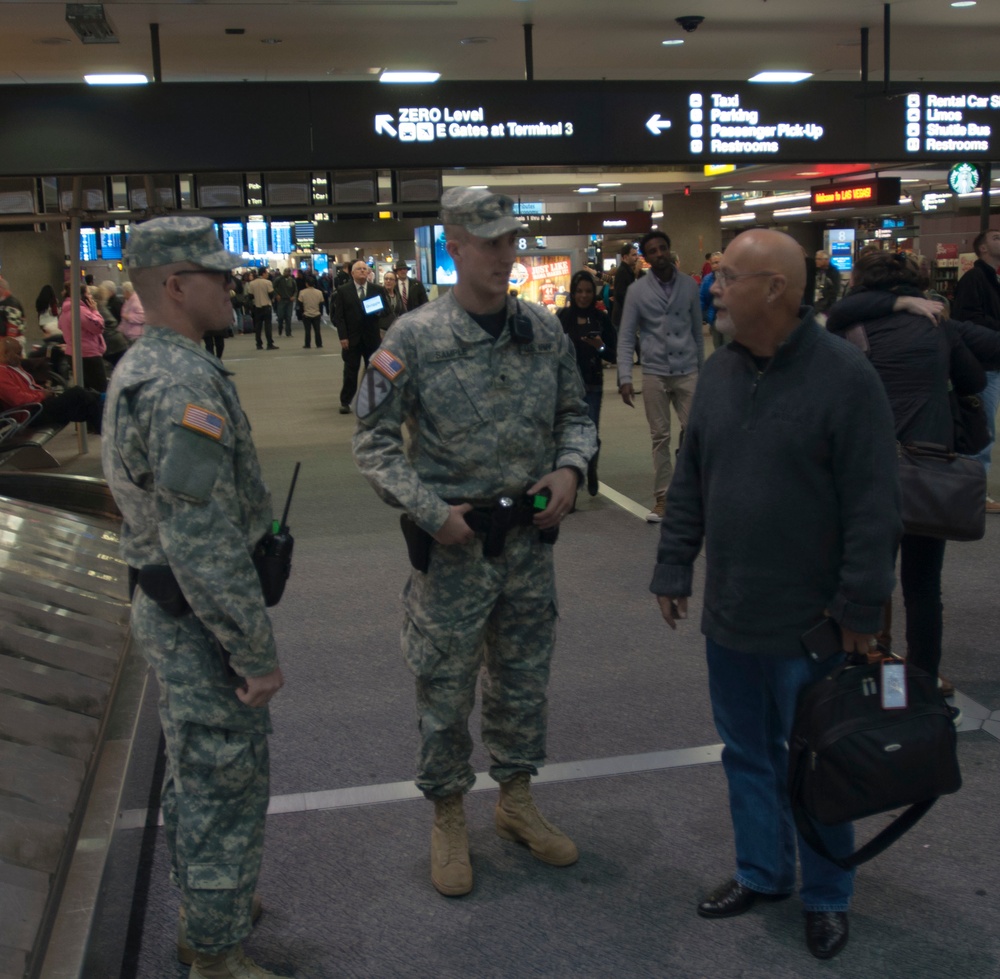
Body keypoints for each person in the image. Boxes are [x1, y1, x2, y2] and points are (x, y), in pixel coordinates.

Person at [651, 229, 900, 961]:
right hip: (733, 615)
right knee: (746, 753)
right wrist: (673, 567)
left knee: (819, 761)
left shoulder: (846, 376)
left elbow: (873, 505)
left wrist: (860, 608)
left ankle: (827, 895)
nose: (715, 288)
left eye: (728, 277)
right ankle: (763, 870)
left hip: (813, 625)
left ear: (777, 291)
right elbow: (692, 478)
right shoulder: (722, 371)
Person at [352, 186, 596, 899]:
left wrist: (571, 466)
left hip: (528, 545)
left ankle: (516, 802)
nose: (503, 255)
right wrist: (430, 510)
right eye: (487, 241)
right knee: (444, 689)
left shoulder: (543, 331)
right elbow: (370, 442)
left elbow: (575, 414)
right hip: (455, 548)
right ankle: (449, 814)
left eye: (510, 240)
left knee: (523, 683)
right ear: (452, 245)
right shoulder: (412, 338)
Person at [101, 216, 290, 979]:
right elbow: (202, 540)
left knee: (199, 769)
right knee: (223, 778)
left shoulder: (156, 365)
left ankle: (209, 911)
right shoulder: (179, 383)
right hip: (200, 620)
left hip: (177, 609)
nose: (232, 284)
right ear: (176, 286)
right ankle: (213, 955)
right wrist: (254, 652)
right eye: (216, 274)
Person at [826, 251, 1000, 688]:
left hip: (868, 469)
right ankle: (923, 680)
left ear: (862, 284)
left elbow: (834, 320)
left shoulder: (849, 327)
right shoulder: (937, 324)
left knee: (864, 573)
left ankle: (855, 671)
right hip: (928, 467)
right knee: (923, 585)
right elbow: (974, 382)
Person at [617, 230, 703, 523]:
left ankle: (692, 493)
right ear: (646, 257)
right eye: (651, 251)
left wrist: (701, 370)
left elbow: (697, 331)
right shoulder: (637, 292)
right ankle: (663, 498)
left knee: (694, 432)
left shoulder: (689, 286)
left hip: (687, 367)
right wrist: (624, 375)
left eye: (662, 248)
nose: (658, 254)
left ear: (669, 249)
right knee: (660, 437)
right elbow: (627, 336)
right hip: (654, 370)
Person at [556, 269, 616, 495]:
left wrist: (599, 346)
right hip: (566, 386)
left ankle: (591, 467)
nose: (583, 296)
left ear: (594, 293)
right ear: (573, 293)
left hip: (592, 383)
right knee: (565, 435)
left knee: (590, 433)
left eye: (588, 291)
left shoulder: (601, 318)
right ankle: (571, 487)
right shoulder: (562, 317)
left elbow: (612, 354)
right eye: (579, 291)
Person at [952, 228, 1000, 505]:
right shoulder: (975, 279)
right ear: (982, 248)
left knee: (983, 426)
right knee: (981, 429)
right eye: (995, 238)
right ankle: (974, 493)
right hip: (981, 365)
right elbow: (967, 320)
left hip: (991, 361)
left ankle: (970, 489)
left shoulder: (992, 279)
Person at [0, 336, 104, 432]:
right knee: (77, 393)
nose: (21, 357)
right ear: (5, 353)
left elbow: (28, 388)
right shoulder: (2, 373)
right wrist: (42, 395)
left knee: (82, 406)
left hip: (38, 406)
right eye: (18, 353)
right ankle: (103, 407)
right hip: (32, 413)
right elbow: (17, 398)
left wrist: (43, 392)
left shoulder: (13, 367)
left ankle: (103, 420)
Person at [332, 260, 387, 414]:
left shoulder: (377, 289)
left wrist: (379, 311)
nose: (363, 271)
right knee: (350, 371)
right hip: (352, 338)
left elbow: (385, 311)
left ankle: (374, 400)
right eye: (359, 269)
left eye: (365, 269)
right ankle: (345, 401)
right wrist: (343, 336)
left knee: (374, 371)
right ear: (352, 273)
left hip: (372, 337)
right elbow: (339, 316)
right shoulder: (343, 291)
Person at [58, 283, 108, 392]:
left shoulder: (65, 309)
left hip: (72, 353)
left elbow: (60, 326)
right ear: (82, 295)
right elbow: (99, 327)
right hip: (88, 354)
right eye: (89, 294)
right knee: (100, 389)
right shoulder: (80, 311)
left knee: (85, 388)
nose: (91, 297)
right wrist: (95, 310)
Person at [610, 241, 641, 334]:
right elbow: (620, 295)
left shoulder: (627, 271)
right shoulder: (623, 272)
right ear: (625, 257)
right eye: (634, 255)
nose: (637, 258)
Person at [246, 269, 277, 351]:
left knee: (258, 326)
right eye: (266, 273)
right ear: (263, 273)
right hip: (266, 306)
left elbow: (250, 296)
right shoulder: (268, 282)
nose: (267, 274)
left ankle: (259, 344)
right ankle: (269, 344)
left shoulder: (252, 283)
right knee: (268, 326)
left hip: (257, 307)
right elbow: (271, 294)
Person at [700, 251, 725, 350]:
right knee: (717, 346)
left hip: (729, 318)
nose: (715, 265)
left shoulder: (731, 277)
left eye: (718, 262)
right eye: (713, 263)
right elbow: (702, 298)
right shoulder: (707, 280)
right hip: (714, 318)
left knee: (728, 345)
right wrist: (703, 315)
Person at [297, 275, 325, 349]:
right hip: (316, 313)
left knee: (307, 330)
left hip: (306, 314)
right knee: (317, 330)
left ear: (306, 284)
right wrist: (320, 313)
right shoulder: (319, 292)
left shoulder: (302, 292)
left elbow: (300, 303)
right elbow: (321, 303)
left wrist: (302, 312)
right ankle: (319, 344)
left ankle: (307, 344)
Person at [813, 250, 842, 316]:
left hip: (827, 307)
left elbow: (835, 291)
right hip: (815, 305)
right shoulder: (815, 271)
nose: (816, 261)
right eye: (816, 259)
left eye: (819, 259)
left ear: (826, 260)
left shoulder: (833, 273)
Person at [272, 268, 297, 339]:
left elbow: (295, 290)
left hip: (289, 300)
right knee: (280, 316)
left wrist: (293, 296)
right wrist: (276, 295)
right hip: (281, 300)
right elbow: (273, 287)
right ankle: (280, 329)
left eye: (288, 272)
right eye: (286, 272)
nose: (287, 273)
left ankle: (288, 332)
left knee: (288, 316)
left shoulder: (292, 281)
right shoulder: (278, 279)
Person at [379, 270, 404, 336]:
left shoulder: (398, 295)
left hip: (396, 330)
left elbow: (403, 312)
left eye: (391, 279)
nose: (388, 281)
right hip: (382, 331)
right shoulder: (379, 295)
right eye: (386, 279)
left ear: (395, 282)